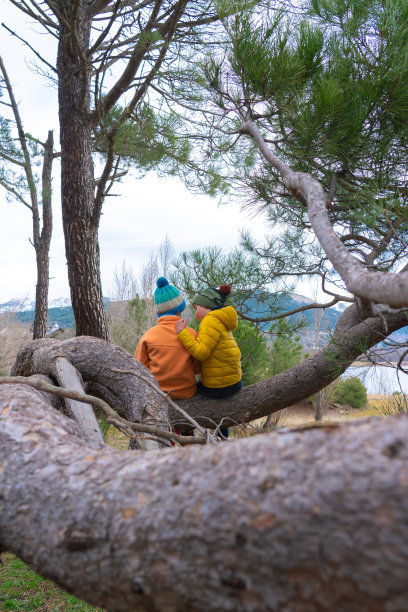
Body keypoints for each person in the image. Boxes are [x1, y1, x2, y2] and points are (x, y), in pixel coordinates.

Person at [175, 284, 242, 438]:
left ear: (207, 305)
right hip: (233, 382)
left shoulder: (210, 321)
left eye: (196, 307)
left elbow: (201, 353)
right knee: (220, 411)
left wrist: (181, 333)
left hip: (219, 386)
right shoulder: (221, 320)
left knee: (189, 391)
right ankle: (222, 436)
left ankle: (187, 432)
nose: (195, 312)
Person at [135, 277, 200, 401]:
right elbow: (197, 369)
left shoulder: (148, 335)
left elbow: (139, 368)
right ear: (181, 308)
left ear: (158, 312)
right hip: (187, 392)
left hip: (158, 393)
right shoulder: (191, 333)